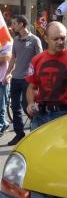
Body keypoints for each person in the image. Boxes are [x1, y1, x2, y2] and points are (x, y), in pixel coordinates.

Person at [3, 15, 42, 145]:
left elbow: (40, 60)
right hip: (15, 78)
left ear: (21, 24)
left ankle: (36, 129)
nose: (12, 26)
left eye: (14, 23)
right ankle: (19, 134)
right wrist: (8, 74)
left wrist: (37, 77)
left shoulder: (35, 40)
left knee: (27, 106)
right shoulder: (15, 40)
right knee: (15, 107)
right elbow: (13, 58)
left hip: (28, 80)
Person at [0, 40, 12, 136]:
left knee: (1, 105)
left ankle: (1, 125)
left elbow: (5, 57)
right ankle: (4, 123)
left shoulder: (7, 43)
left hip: (3, 79)